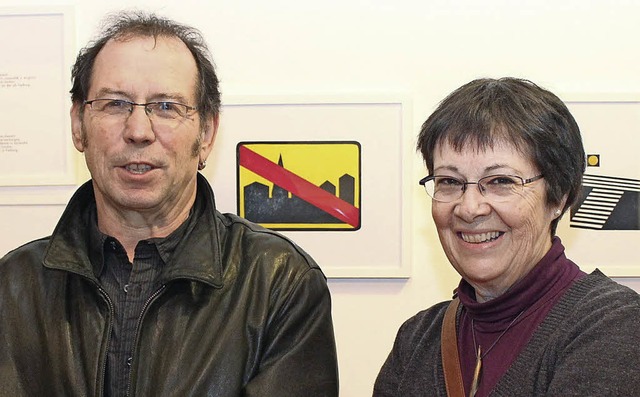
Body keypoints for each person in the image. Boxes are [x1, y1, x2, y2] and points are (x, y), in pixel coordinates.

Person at [0, 11, 338, 396]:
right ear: (79, 125)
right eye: (114, 104)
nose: (138, 131)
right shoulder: (13, 286)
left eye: (166, 107)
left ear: (206, 133)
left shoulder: (277, 282)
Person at [373, 77, 640, 396]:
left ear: (559, 198)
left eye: (500, 181)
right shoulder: (417, 339)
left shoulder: (613, 325)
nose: (469, 208)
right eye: (449, 181)